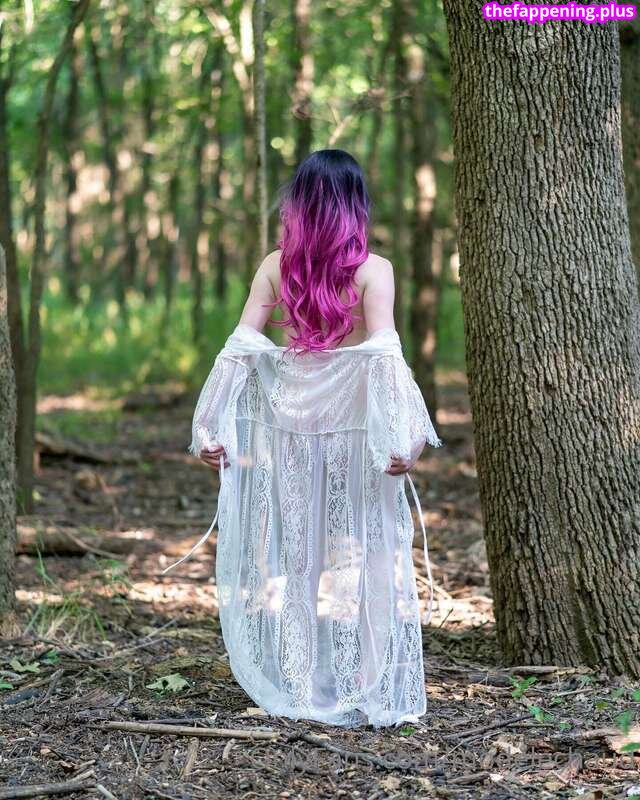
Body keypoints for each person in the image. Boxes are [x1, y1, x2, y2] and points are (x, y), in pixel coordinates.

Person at [163, 149, 443, 729]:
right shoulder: (374, 269)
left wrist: (208, 422)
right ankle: (366, 686)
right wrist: (407, 435)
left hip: (294, 425)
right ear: (355, 206)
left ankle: (298, 682)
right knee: (371, 551)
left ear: (299, 204)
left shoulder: (277, 265)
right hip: (355, 430)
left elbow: (242, 346)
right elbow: (383, 357)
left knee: (299, 556)